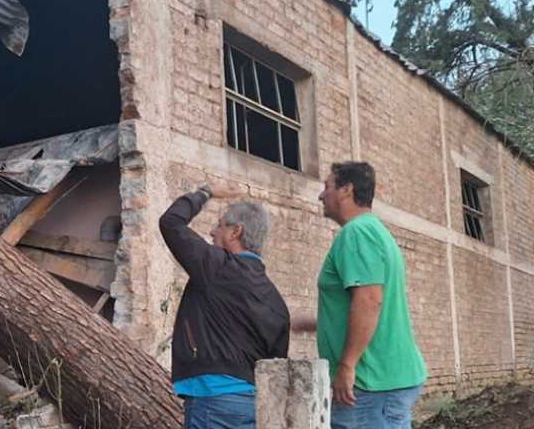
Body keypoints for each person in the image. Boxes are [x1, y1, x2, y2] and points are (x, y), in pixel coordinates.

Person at [159, 182, 290, 429]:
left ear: (235, 232)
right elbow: (276, 367)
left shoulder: (217, 266)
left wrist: (205, 193)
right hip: (253, 406)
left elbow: (171, 222)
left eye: (219, 225)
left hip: (213, 402)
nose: (211, 232)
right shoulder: (276, 301)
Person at [312, 161, 427, 428]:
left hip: (370, 383)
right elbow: (363, 304)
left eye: (326, 186)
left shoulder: (357, 233)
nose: (321, 195)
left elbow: (369, 301)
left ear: (346, 190)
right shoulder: (374, 231)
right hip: (383, 381)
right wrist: (318, 324)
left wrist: (347, 365)